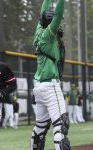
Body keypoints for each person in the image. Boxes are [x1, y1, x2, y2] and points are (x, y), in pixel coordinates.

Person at [31, 0, 70, 150]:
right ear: (50, 23)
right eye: (56, 22)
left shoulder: (38, 32)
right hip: (50, 87)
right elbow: (58, 14)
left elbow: (43, 11)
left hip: (39, 88)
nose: (59, 25)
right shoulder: (48, 34)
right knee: (61, 125)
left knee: (40, 129)